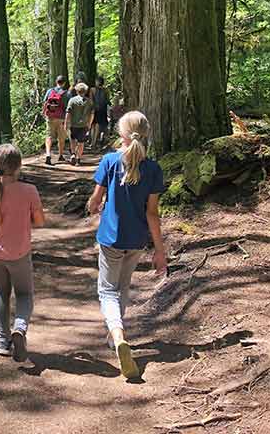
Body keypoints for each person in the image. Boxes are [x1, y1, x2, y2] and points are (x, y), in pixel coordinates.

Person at [86, 111, 167, 379]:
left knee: (107, 291)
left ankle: (118, 335)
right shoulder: (154, 169)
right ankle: (114, 337)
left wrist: (93, 207)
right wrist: (159, 250)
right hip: (137, 240)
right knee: (122, 287)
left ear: (121, 133)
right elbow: (152, 213)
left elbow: (95, 200)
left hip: (111, 238)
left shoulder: (109, 161)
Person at [0, 144, 45, 362]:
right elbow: (40, 222)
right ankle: (20, 328)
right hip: (20, 253)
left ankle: (3, 342)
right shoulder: (29, 191)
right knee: (24, 294)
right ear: (18, 166)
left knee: (1, 293)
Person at [63, 81, 94, 165]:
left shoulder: (72, 100)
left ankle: (73, 154)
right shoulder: (89, 101)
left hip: (74, 124)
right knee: (81, 143)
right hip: (84, 125)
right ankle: (78, 159)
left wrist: (66, 123)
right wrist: (89, 124)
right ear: (86, 91)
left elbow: (68, 113)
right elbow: (92, 114)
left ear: (77, 91)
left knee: (72, 140)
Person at [42, 75, 69, 164]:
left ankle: (48, 154)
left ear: (56, 82)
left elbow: (45, 102)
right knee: (61, 137)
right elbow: (68, 107)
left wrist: (44, 113)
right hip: (61, 118)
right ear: (64, 83)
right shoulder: (66, 93)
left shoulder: (50, 91)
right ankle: (60, 155)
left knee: (49, 135)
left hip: (50, 117)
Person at [90, 76, 110, 149]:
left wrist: (93, 108)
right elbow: (107, 100)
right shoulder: (106, 90)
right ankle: (94, 142)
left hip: (95, 110)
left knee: (93, 126)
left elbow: (91, 101)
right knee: (98, 126)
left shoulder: (92, 90)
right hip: (102, 109)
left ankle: (93, 142)